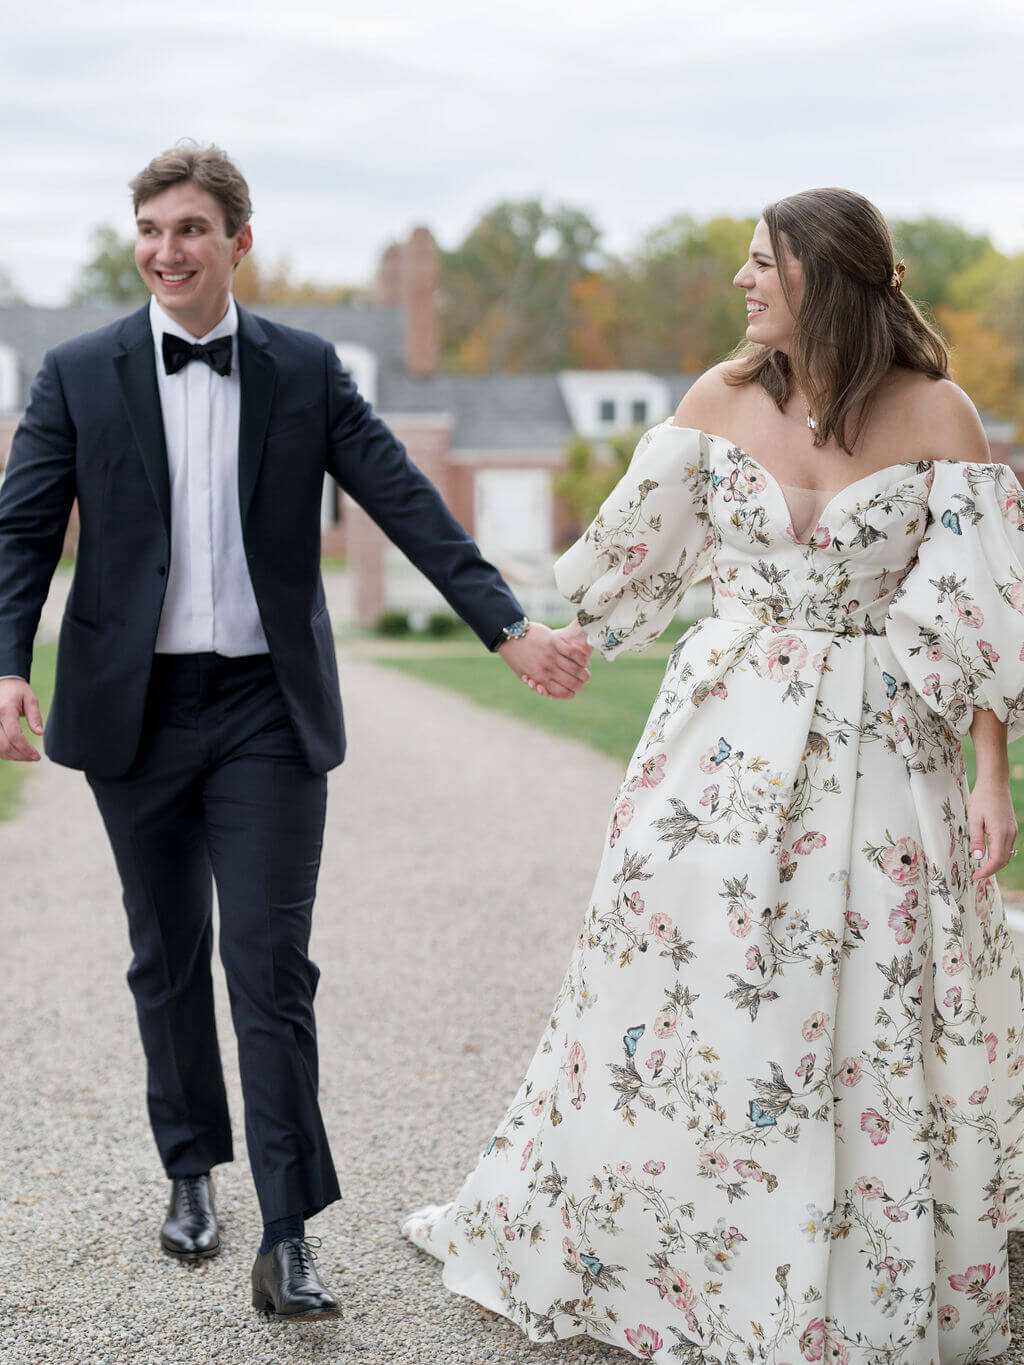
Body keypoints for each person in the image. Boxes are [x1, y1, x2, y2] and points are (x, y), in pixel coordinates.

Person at [403, 187, 1024, 1361]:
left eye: (760, 264)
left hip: (885, 739)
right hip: (720, 740)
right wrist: (557, 634)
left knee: (870, 992)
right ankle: (668, 1248)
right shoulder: (717, 400)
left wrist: (991, 779)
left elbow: (980, 615)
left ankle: (850, 1259)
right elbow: (624, 561)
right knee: (695, 978)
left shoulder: (942, 415)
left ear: (824, 279)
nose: (741, 283)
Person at [0, 141, 591, 1323]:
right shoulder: (76, 370)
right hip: (136, 711)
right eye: (152, 229)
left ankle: (289, 1232)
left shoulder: (306, 370)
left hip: (267, 710)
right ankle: (188, 1170)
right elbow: (20, 530)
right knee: (165, 955)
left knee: (269, 966)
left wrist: (507, 628)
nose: (168, 249)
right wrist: (7, 664)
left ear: (238, 242)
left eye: (190, 229)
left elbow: (408, 503)